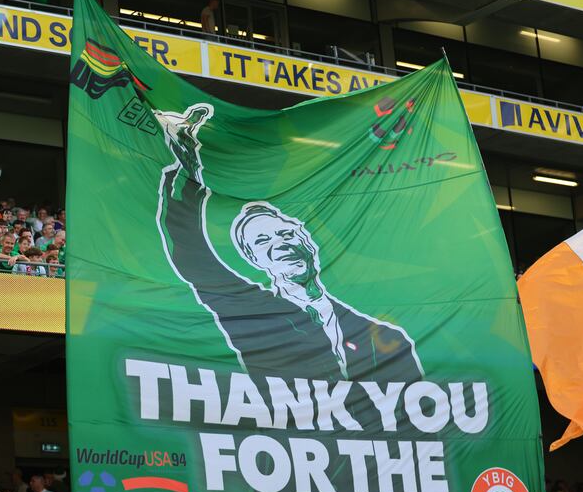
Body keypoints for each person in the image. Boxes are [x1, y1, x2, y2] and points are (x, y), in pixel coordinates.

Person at [157, 104, 424, 384]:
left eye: (286, 234)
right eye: (262, 241)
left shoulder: (389, 341)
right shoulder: (253, 313)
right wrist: (186, 172)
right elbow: (191, 255)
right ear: (253, 259)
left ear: (308, 242)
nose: (281, 244)